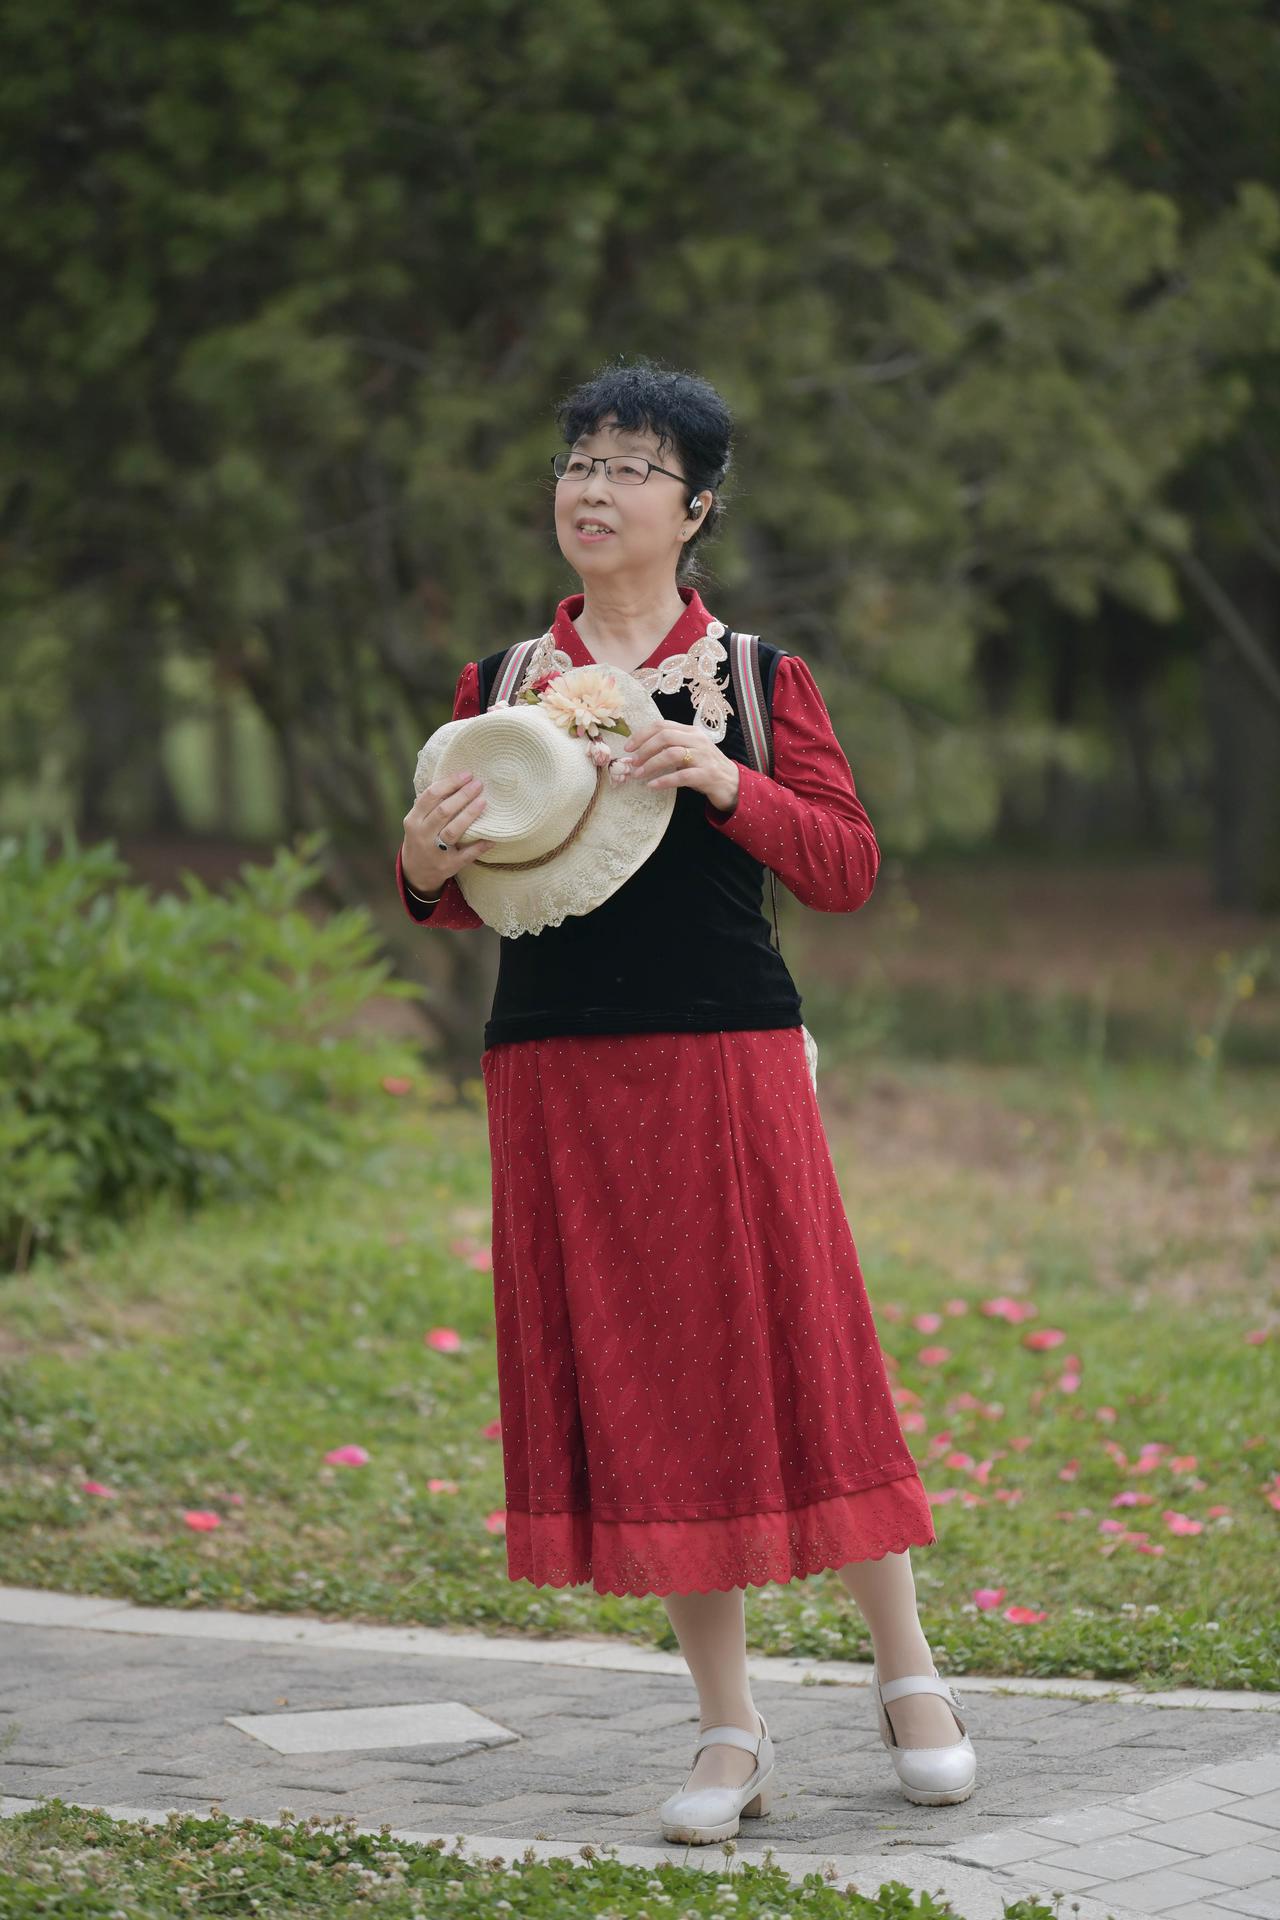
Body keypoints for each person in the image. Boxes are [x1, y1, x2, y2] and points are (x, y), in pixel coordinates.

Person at [396, 358, 975, 1839]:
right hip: (553, 1069)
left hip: (727, 1059)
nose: (591, 489)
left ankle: (910, 1677)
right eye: (578, 462)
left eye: (629, 466)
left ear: (696, 506)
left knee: (805, 1350)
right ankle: (730, 1730)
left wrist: (721, 777)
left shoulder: (762, 681)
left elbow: (843, 868)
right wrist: (424, 847)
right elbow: (444, 894)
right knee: (646, 1380)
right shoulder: (500, 686)